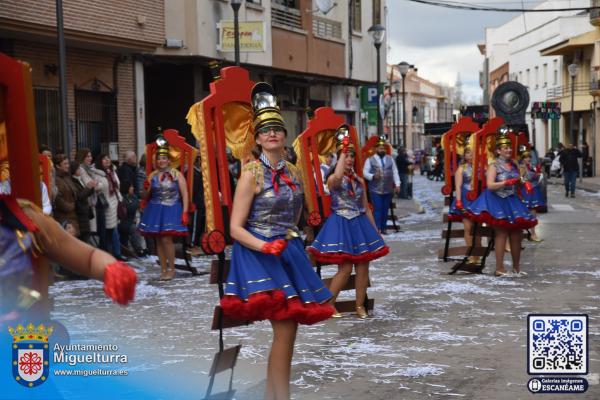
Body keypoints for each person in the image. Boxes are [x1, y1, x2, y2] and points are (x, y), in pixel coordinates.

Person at [220, 82, 333, 400]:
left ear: (285, 135)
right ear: (256, 139)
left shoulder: (295, 172)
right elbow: (235, 228)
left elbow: (298, 216)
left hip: (289, 252)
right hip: (259, 256)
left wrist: (306, 231)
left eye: (277, 129)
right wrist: (264, 246)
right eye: (265, 130)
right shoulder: (250, 173)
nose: (272, 134)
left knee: (287, 332)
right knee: (285, 330)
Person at [307, 125, 389, 319]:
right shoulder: (333, 179)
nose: (350, 159)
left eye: (352, 156)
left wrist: (375, 229)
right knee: (344, 269)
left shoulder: (359, 181)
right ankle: (330, 303)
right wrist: (343, 150)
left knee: (363, 267)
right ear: (340, 158)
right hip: (341, 224)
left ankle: (360, 305)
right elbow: (336, 177)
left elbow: (366, 207)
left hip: (359, 224)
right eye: (347, 156)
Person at [463, 133, 537, 276]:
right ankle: (499, 268)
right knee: (501, 233)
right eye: (505, 148)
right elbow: (490, 185)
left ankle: (517, 268)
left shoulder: (515, 164)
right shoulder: (493, 166)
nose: (509, 150)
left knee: (517, 234)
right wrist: (505, 182)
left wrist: (524, 183)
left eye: (510, 148)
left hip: (513, 200)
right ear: (498, 150)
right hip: (497, 201)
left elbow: (522, 179)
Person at [138, 139, 188, 280]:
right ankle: (163, 269)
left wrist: (184, 212)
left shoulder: (177, 175)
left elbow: (185, 194)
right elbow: (145, 196)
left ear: (168, 160)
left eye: (164, 158)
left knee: (166, 239)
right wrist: (146, 188)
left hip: (172, 208)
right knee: (158, 240)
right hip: (155, 208)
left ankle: (171, 268)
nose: (161, 161)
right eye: (159, 158)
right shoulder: (152, 175)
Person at [448, 137, 481, 263]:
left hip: (478, 200)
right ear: (464, 155)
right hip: (466, 199)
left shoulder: (480, 167)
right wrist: (459, 201)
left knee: (478, 229)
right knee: (468, 228)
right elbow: (458, 186)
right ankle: (471, 253)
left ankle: (478, 254)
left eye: (473, 152)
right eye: (468, 152)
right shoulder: (461, 169)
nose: (471, 155)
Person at [362, 138, 400, 234]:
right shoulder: (370, 160)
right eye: (380, 148)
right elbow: (364, 172)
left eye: (383, 148)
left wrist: (397, 184)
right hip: (375, 189)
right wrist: (373, 176)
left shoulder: (390, 158)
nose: (382, 150)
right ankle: (377, 228)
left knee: (385, 209)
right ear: (376, 149)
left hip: (388, 189)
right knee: (378, 209)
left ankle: (384, 228)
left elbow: (395, 172)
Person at [91, 154, 122, 256]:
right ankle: (113, 254)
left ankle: (115, 254)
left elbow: (117, 186)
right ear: (100, 161)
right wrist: (98, 186)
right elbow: (97, 188)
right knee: (109, 231)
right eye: (104, 159)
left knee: (114, 230)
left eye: (108, 158)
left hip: (115, 202)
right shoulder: (97, 174)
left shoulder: (112, 171)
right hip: (106, 205)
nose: (107, 160)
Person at [518, 147, 545, 242]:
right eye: (525, 157)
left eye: (529, 157)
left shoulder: (531, 166)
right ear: (522, 158)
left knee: (533, 213)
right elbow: (520, 180)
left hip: (534, 191)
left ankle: (533, 233)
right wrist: (525, 180)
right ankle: (522, 234)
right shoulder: (521, 167)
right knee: (524, 212)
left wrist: (538, 175)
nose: (528, 159)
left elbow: (537, 178)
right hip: (526, 192)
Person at [52, 154, 80, 236]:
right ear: (57, 166)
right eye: (65, 164)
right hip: (63, 218)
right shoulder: (56, 179)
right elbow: (57, 197)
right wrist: (70, 206)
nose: (68, 166)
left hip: (73, 216)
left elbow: (75, 193)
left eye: (68, 163)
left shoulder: (67, 177)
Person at [70, 161, 95, 243]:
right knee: (84, 238)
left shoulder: (78, 179)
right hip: (80, 212)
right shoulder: (73, 181)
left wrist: (91, 188)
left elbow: (85, 193)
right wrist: (88, 188)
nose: (80, 170)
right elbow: (79, 196)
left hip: (85, 211)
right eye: (78, 169)